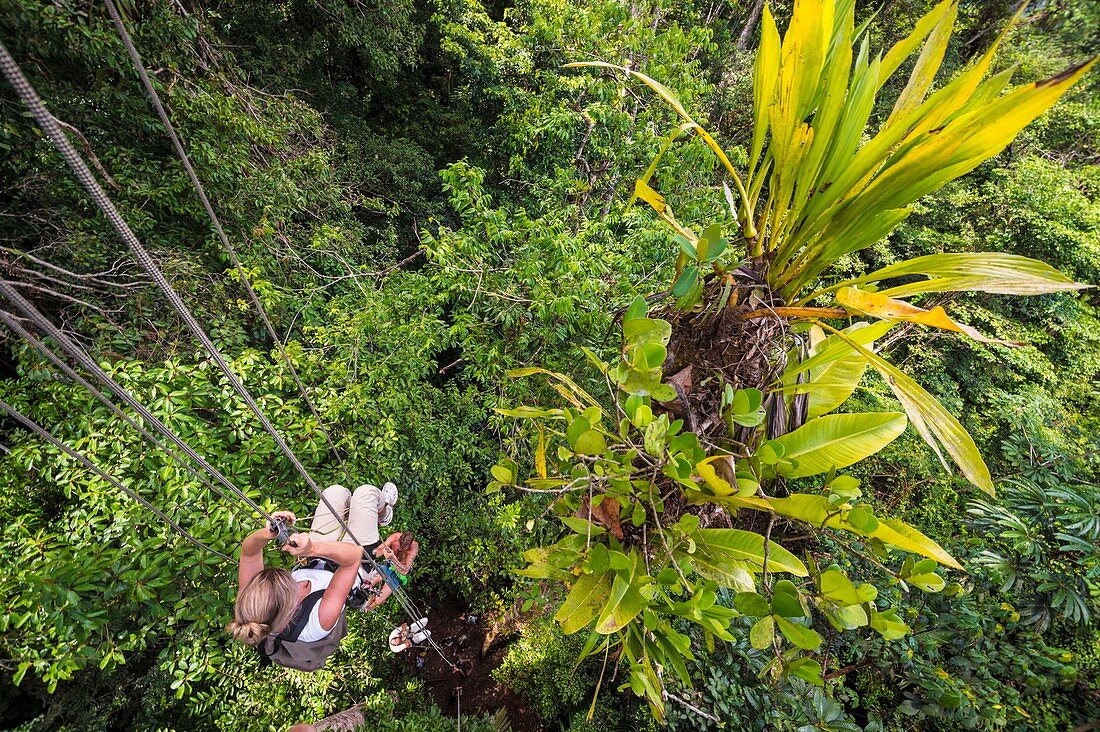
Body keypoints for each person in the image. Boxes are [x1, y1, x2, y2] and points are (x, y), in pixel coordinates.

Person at [226, 482, 399, 653]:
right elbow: (353, 556)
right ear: (291, 606)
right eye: (289, 582)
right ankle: (383, 513)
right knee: (366, 493)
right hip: (354, 564)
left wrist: (269, 532)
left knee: (335, 492)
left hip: (315, 559)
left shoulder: (251, 602)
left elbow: (249, 553)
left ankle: (356, 515)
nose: (294, 581)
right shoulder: (317, 623)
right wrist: (311, 548)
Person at [363, 529, 419, 611]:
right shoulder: (395, 537)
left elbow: (405, 571)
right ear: (400, 539)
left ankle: (368, 608)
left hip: (397, 574)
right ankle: (363, 602)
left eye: (404, 548)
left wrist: (393, 558)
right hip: (387, 566)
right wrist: (380, 552)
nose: (401, 549)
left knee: (379, 600)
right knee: (369, 582)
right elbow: (378, 550)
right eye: (400, 546)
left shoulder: (414, 547)